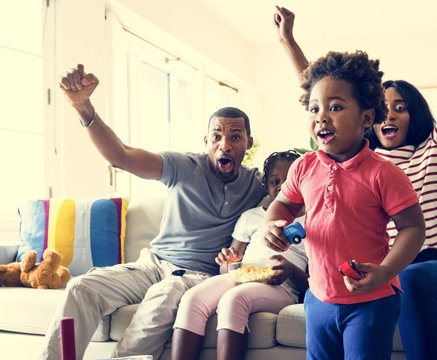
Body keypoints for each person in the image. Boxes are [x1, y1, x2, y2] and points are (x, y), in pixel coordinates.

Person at [274, 1, 437, 359]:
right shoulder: (352, 158)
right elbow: (324, 94)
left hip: (432, 263)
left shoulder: (434, 150)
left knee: (407, 280)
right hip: (368, 272)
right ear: (370, 119)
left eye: (402, 106)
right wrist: (289, 43)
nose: (391, 114)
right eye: (386, 108)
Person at [40, 64, 267, 360]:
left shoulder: (258, 185)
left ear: (248, 143)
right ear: (206, 142)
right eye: (216, 137)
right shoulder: (184, 167)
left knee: (164, 295)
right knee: (81, 287)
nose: (224, 144)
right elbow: (121, 156)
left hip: (197, 276)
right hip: (152, 265)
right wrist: (83, 107)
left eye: (235, 137)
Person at [262, 50, 426, 360]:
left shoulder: (384, 173)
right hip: (319, 297)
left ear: (366, 118)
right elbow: (284, 203)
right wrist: (274, 224)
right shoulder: (303, 167)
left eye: (335, 107)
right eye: (314, 108)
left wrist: (386, 270)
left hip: (372, 299)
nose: (321, 116)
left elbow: (413, 228)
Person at [170, 149, 308, 360]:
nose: (282, 186)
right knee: (192, 298)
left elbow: (312, 285)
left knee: (233, 299)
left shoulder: (313, 221)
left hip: (283, 287)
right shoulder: (251, 217)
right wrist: (230, 262)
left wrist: (288, 270)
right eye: (275, 181)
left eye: (289, 180)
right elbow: (228, 268)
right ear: (265, 185)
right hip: (243, 276)